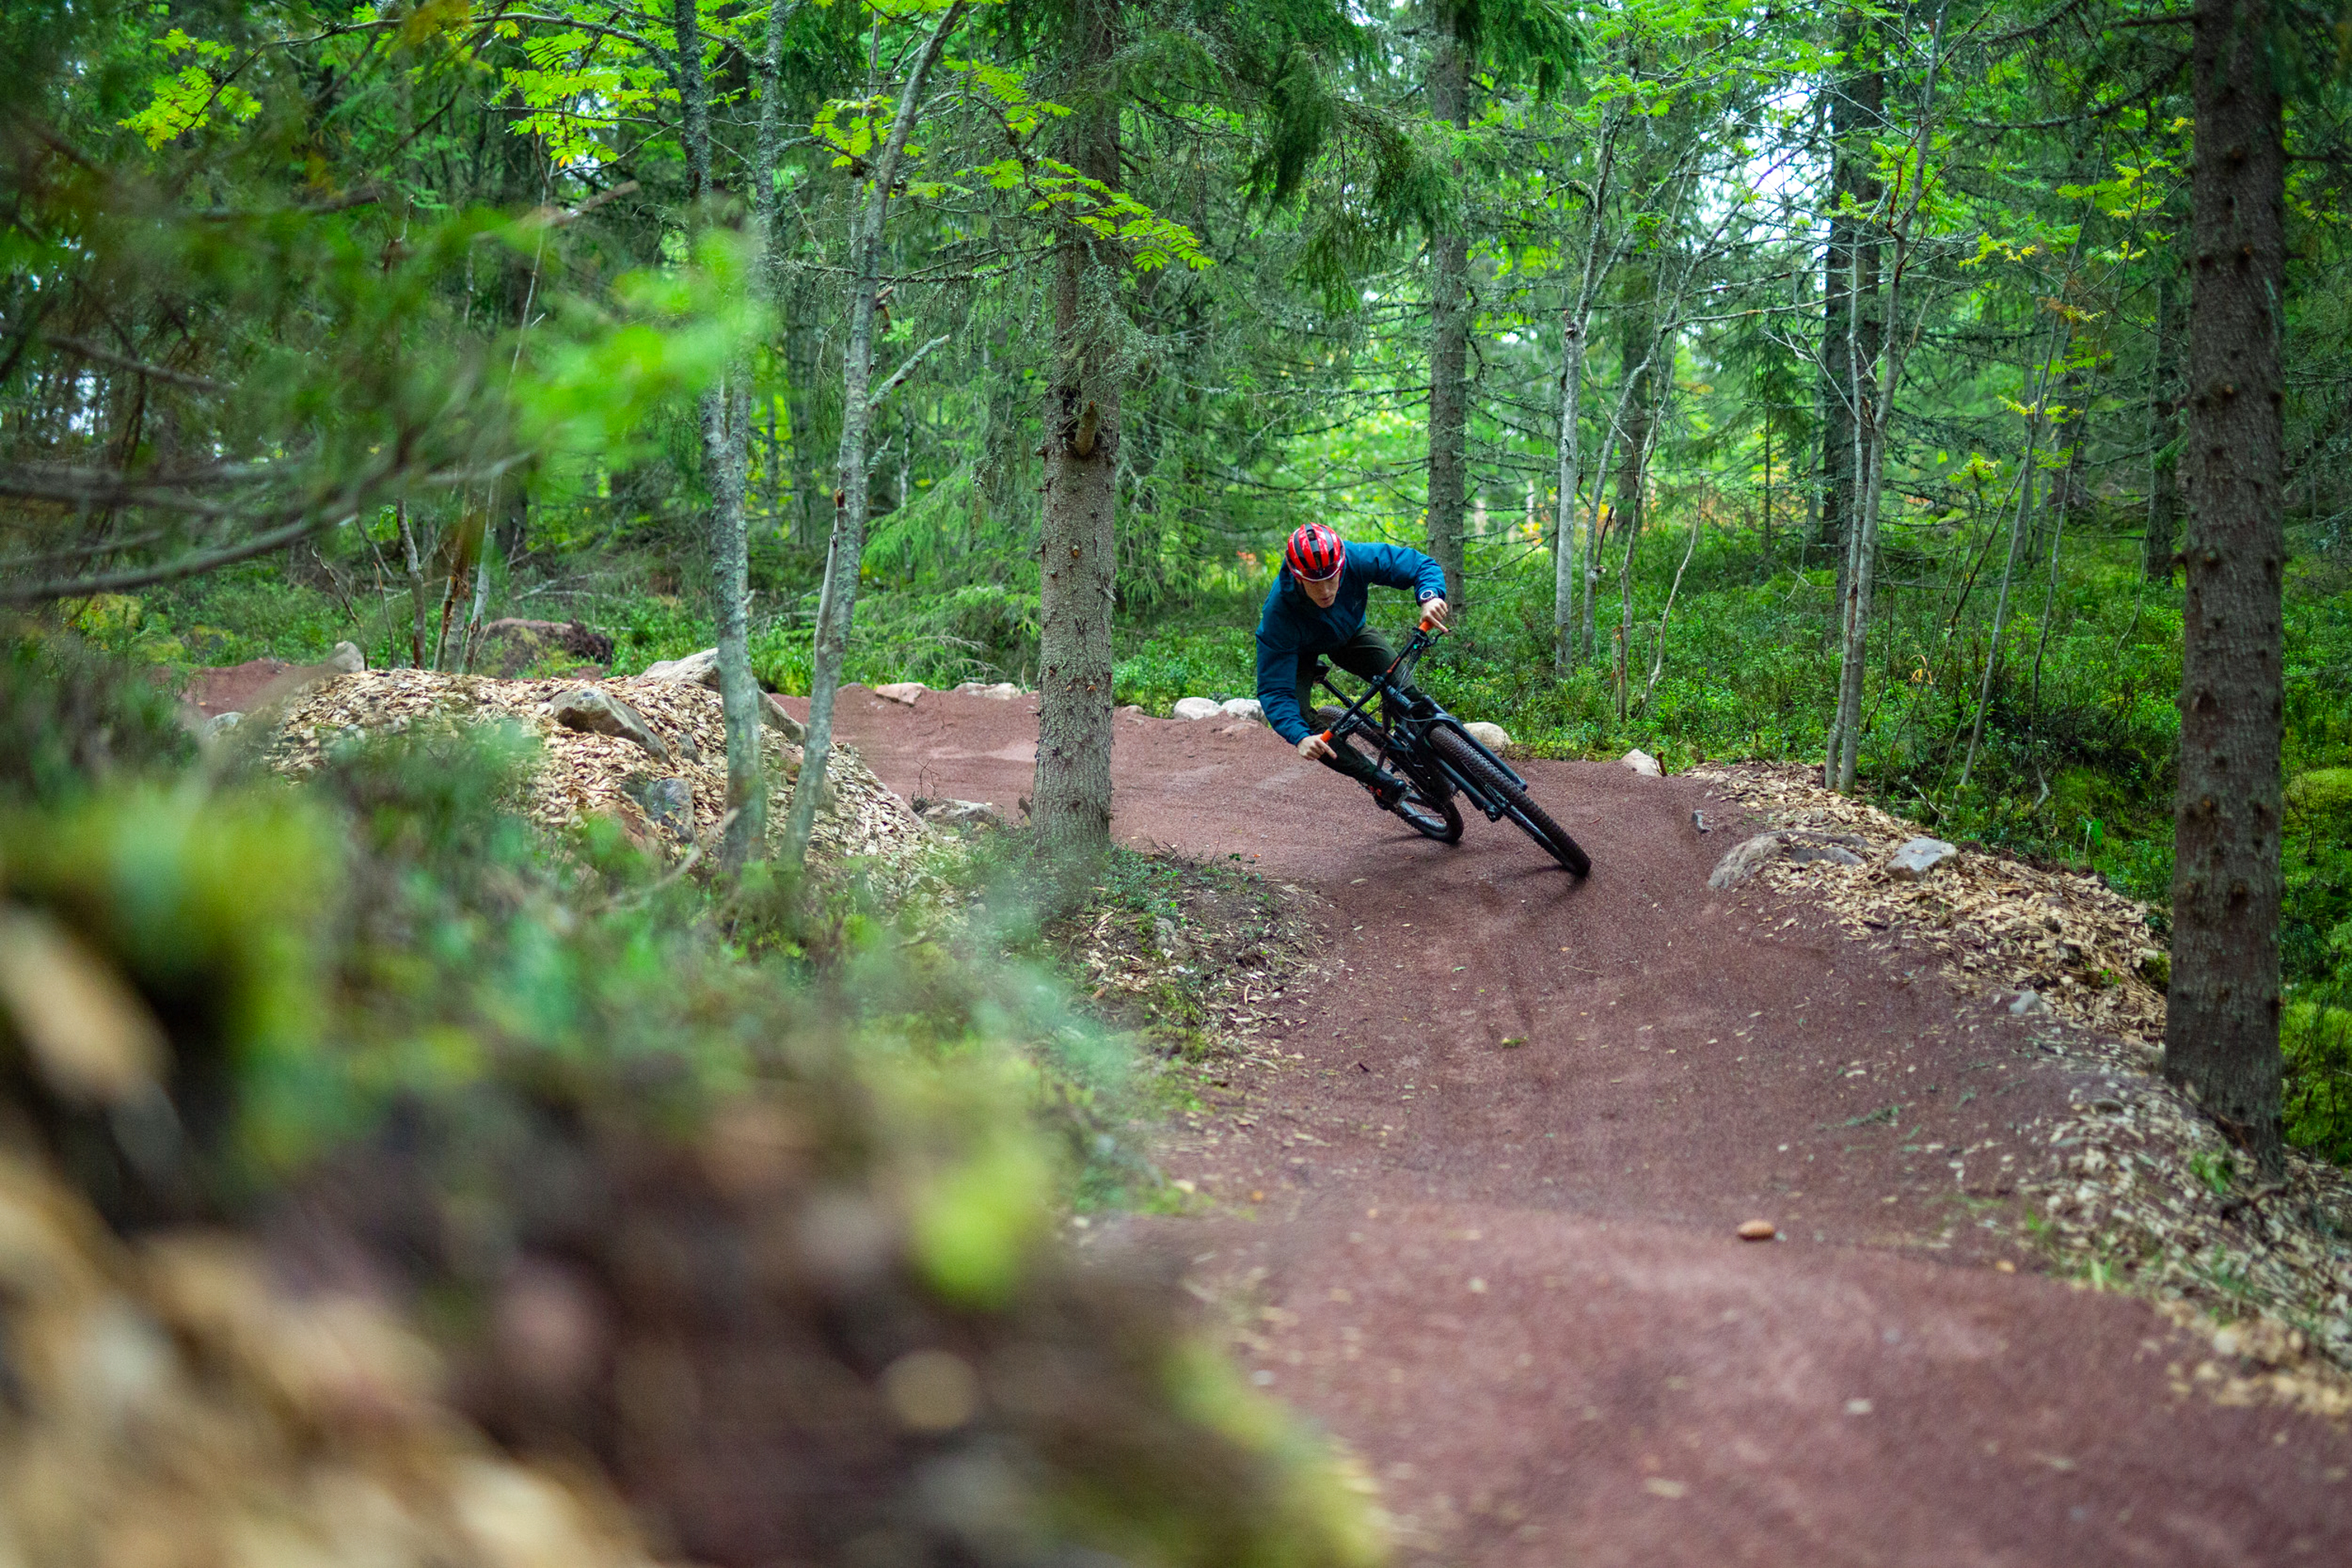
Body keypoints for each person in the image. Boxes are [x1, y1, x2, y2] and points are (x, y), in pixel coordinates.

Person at [1254, 523, 1450, 808]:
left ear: (1341, 565)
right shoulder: (1278, 614)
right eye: (1314, 582)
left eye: (1332, 579)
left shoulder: (1354, 557)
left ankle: (1428, 755)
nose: (1325, 590)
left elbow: (1418, 565)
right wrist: (1299, 738)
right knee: (1308, 727)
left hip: (1351, 634)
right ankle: (1378, 780)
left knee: (1405, 691)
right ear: (1297, 577)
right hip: (1299, 652)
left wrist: (1429, 597)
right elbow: (1274, 690)